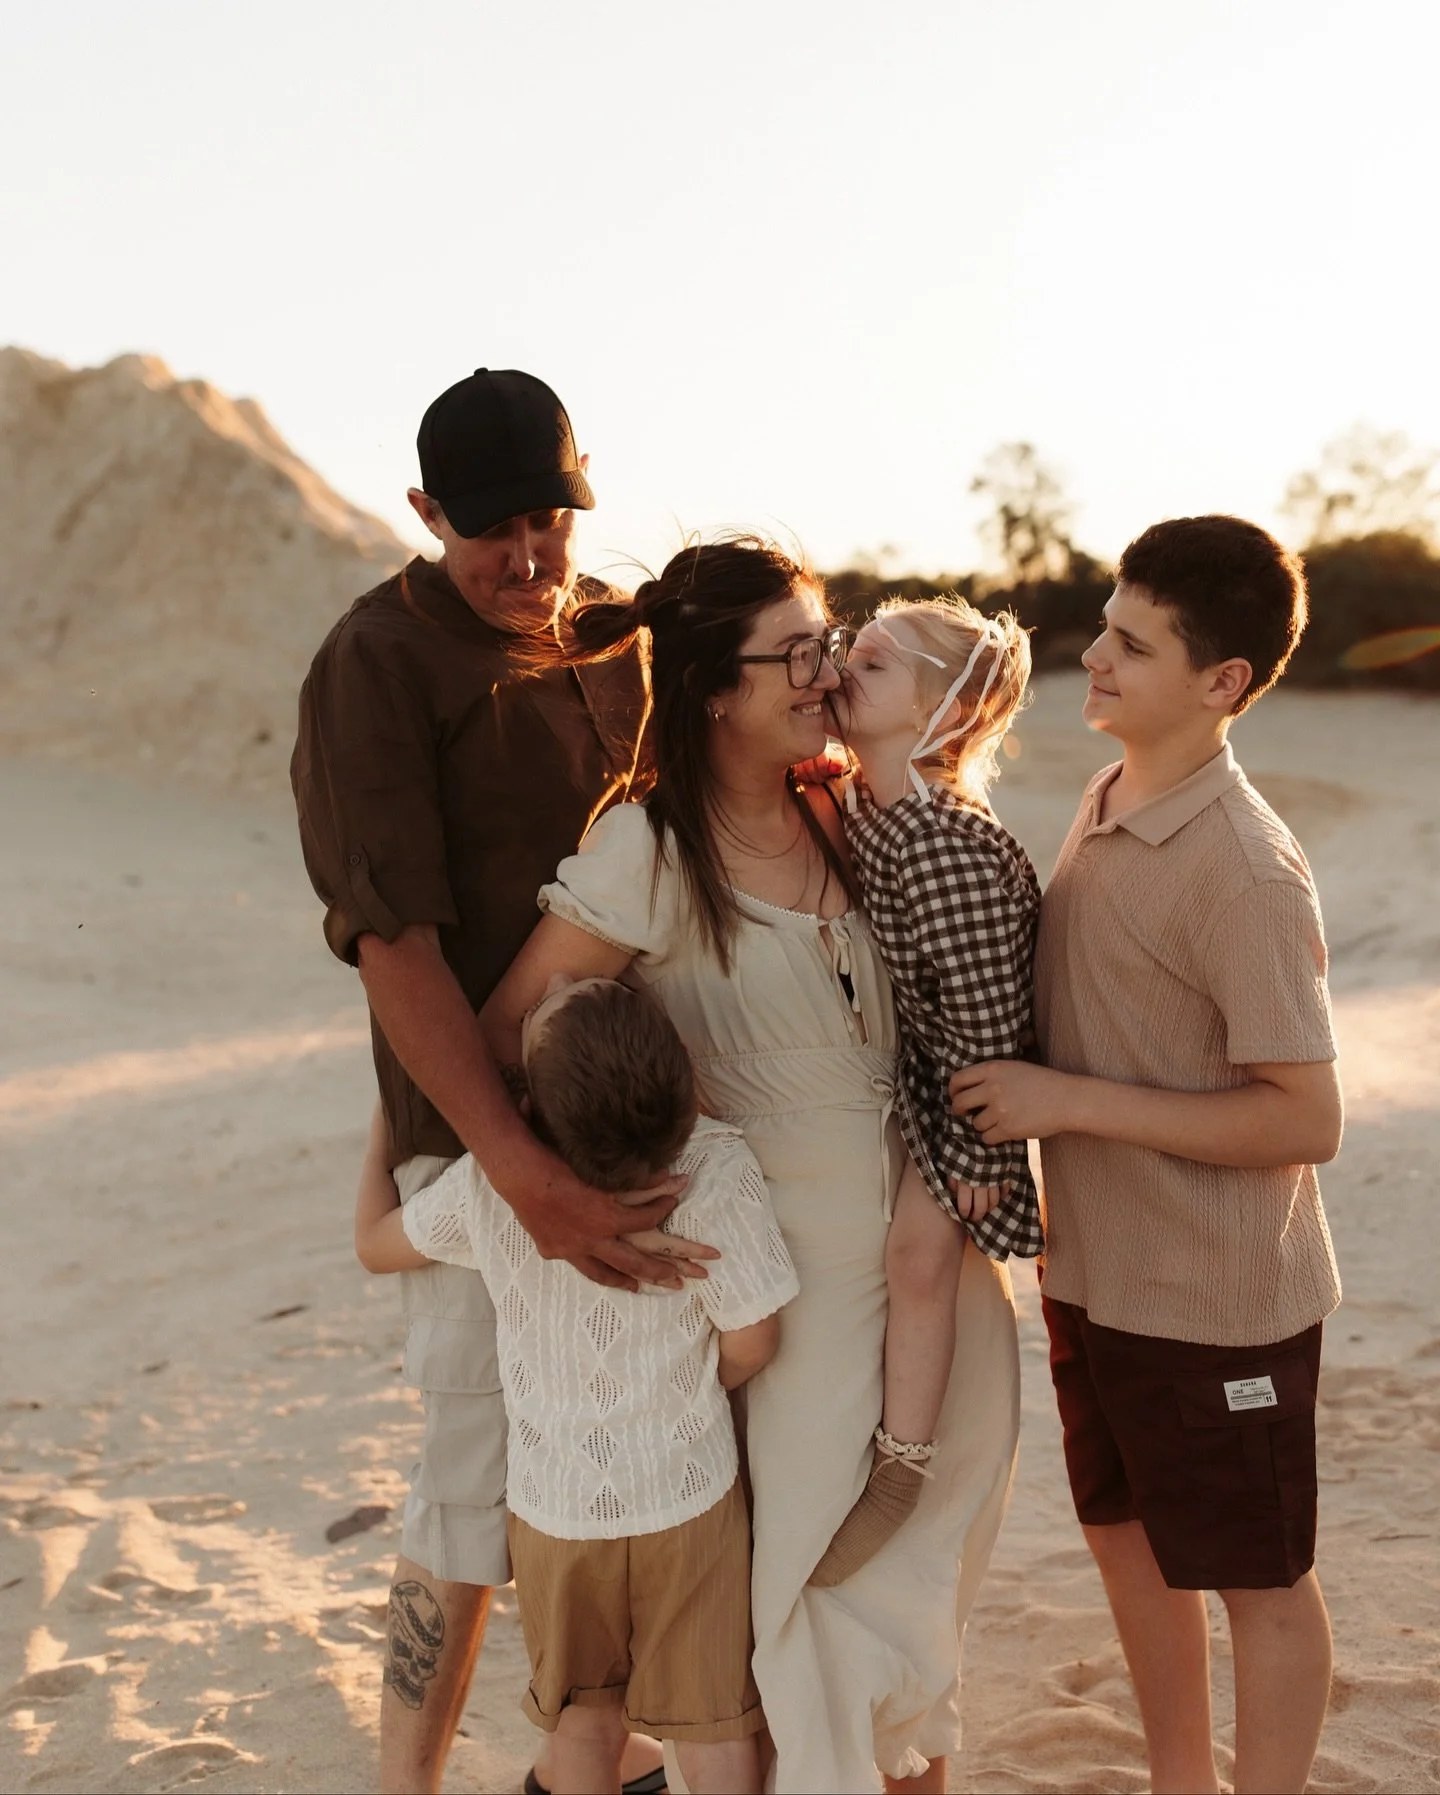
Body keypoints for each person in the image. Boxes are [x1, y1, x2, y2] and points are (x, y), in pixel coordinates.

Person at [481, 538, 1021, 1794]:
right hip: (793, 1313)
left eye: (830, 643)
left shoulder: (854, 817)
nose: (827, 672)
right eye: (797, 653)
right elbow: (522, 1032)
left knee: (909, 1636)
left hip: (937, 1283)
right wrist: (595, 1192)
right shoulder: (650, 856)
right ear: (717, 690)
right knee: (806, 1624)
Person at [291, 368, 687, 1795]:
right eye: (489, 530)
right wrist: (515, 1174)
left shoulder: (613, 639)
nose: (527, 559)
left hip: (636, 1112)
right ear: (421, 513)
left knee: (627, 1440)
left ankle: (591, 1746)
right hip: (473, 1142)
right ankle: (407, 1779)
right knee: (472, 1460)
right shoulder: (375, 663)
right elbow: (392, 945)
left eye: (549, 519)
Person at [951, 515, 1343, 1795]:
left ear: (1221, 682)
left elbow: (1306, 1118)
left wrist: (1067, 1099)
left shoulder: (1247, 867)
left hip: (1220, 1302)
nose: (1096, 657)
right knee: (1127, 1543)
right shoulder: (1107, 793)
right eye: (1106, 625)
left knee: (1259, 1583)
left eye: (1132, 642)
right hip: (1096, 1279)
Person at [355, 973, 799, 1795]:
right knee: (711, 1729)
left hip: (556, 1515)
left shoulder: (498, 1187)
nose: (557, 976)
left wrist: (388, 1121)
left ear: (527, 1109)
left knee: (584, 1727)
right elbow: (756, 1335)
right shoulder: (716, 1167)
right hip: (688, 1502)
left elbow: (375, 1243)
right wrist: (702, 1388)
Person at [807, 597, 1043, 1588]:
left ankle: (900, 1465)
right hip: (918, 1074)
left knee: (917, 1253)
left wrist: (984, 1151)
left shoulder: (940, 834)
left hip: (966, 1091)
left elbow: (991, 1018)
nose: (841, 669)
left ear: (943, 710)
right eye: (846, 651)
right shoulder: (871, 801)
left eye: (873, 662)